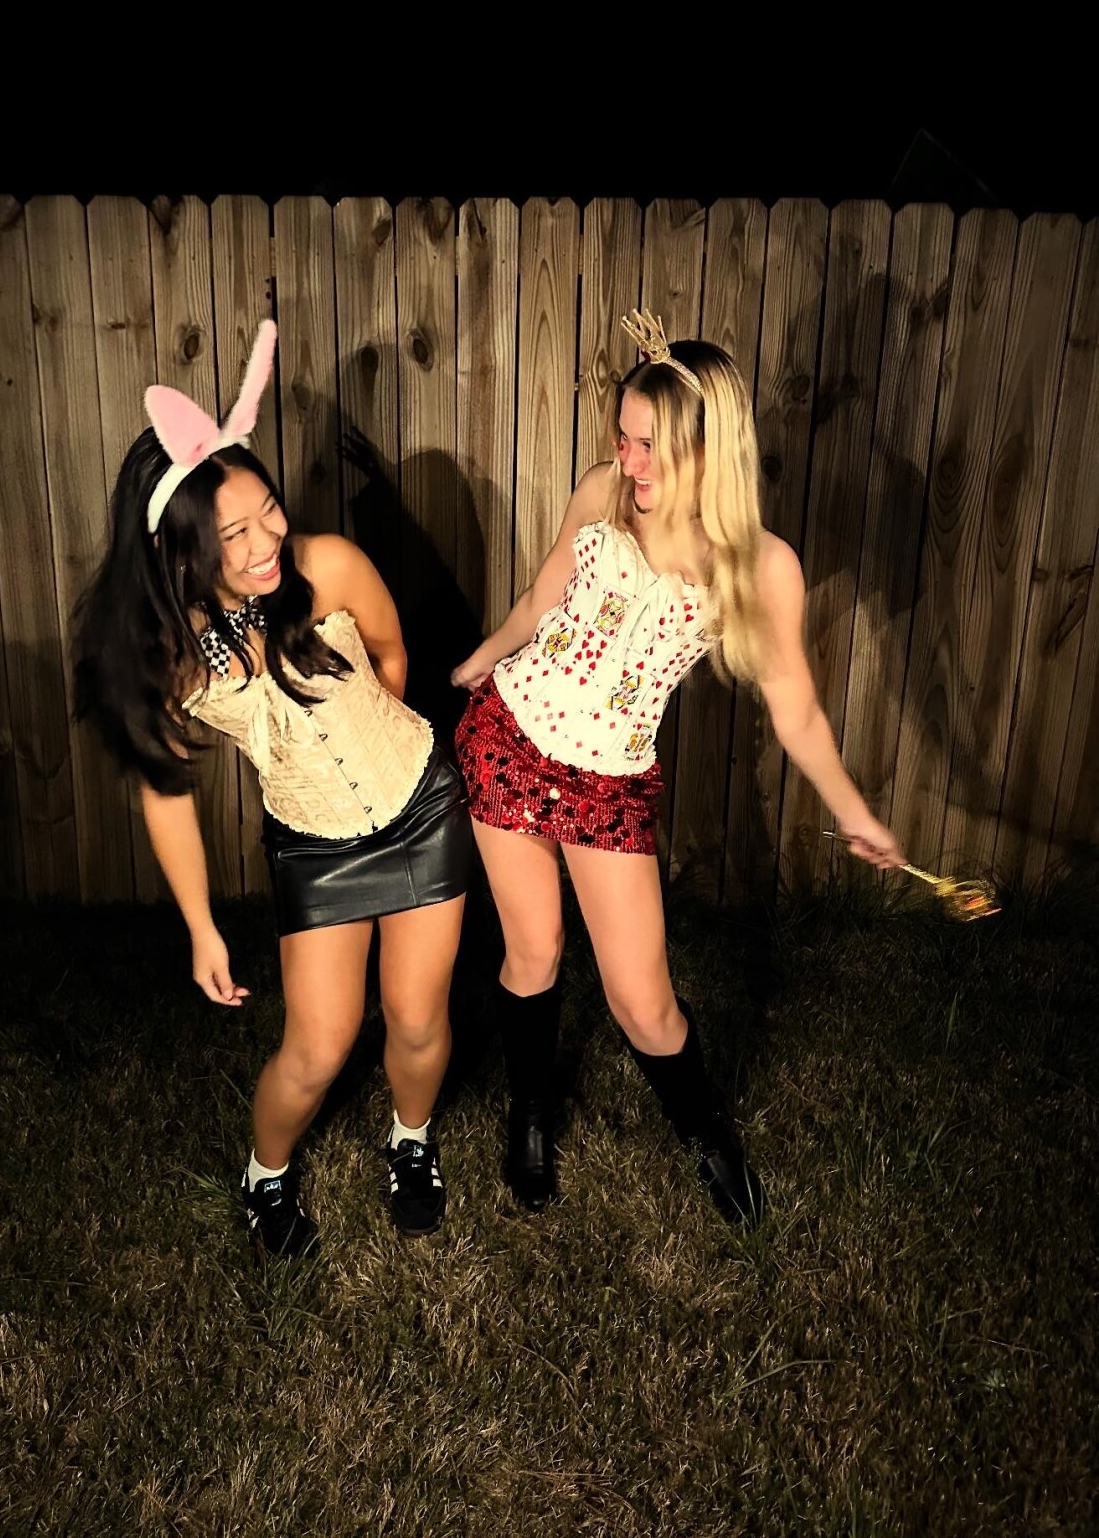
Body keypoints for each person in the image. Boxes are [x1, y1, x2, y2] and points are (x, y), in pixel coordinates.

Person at [451, 309, 907, 1228]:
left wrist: (854, 810)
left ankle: (707, 1135)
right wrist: (480, 662)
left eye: (648, 444)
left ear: (710, 447)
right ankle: (530, 1115)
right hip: (510, 736)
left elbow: (796, 709)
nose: (628, 461)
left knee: (642, 1001)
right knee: (532, 951)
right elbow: (542, 596)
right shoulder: (601, 491)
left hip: (608, 782)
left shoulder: (760, 567)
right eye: (622, 438)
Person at [73, 319, 473, 1263]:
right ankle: (266, 1174)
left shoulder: (325, 565)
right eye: (235, 533)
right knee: (319, 1046)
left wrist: (372, 747)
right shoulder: (169, 655)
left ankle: (411, 1142)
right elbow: (165, 790)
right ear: (179, 550)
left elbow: (392, 655)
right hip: (315, 848)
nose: (267, 542)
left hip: (421, 808)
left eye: (269, 511)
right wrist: (201, 926)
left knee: (418, 1018)